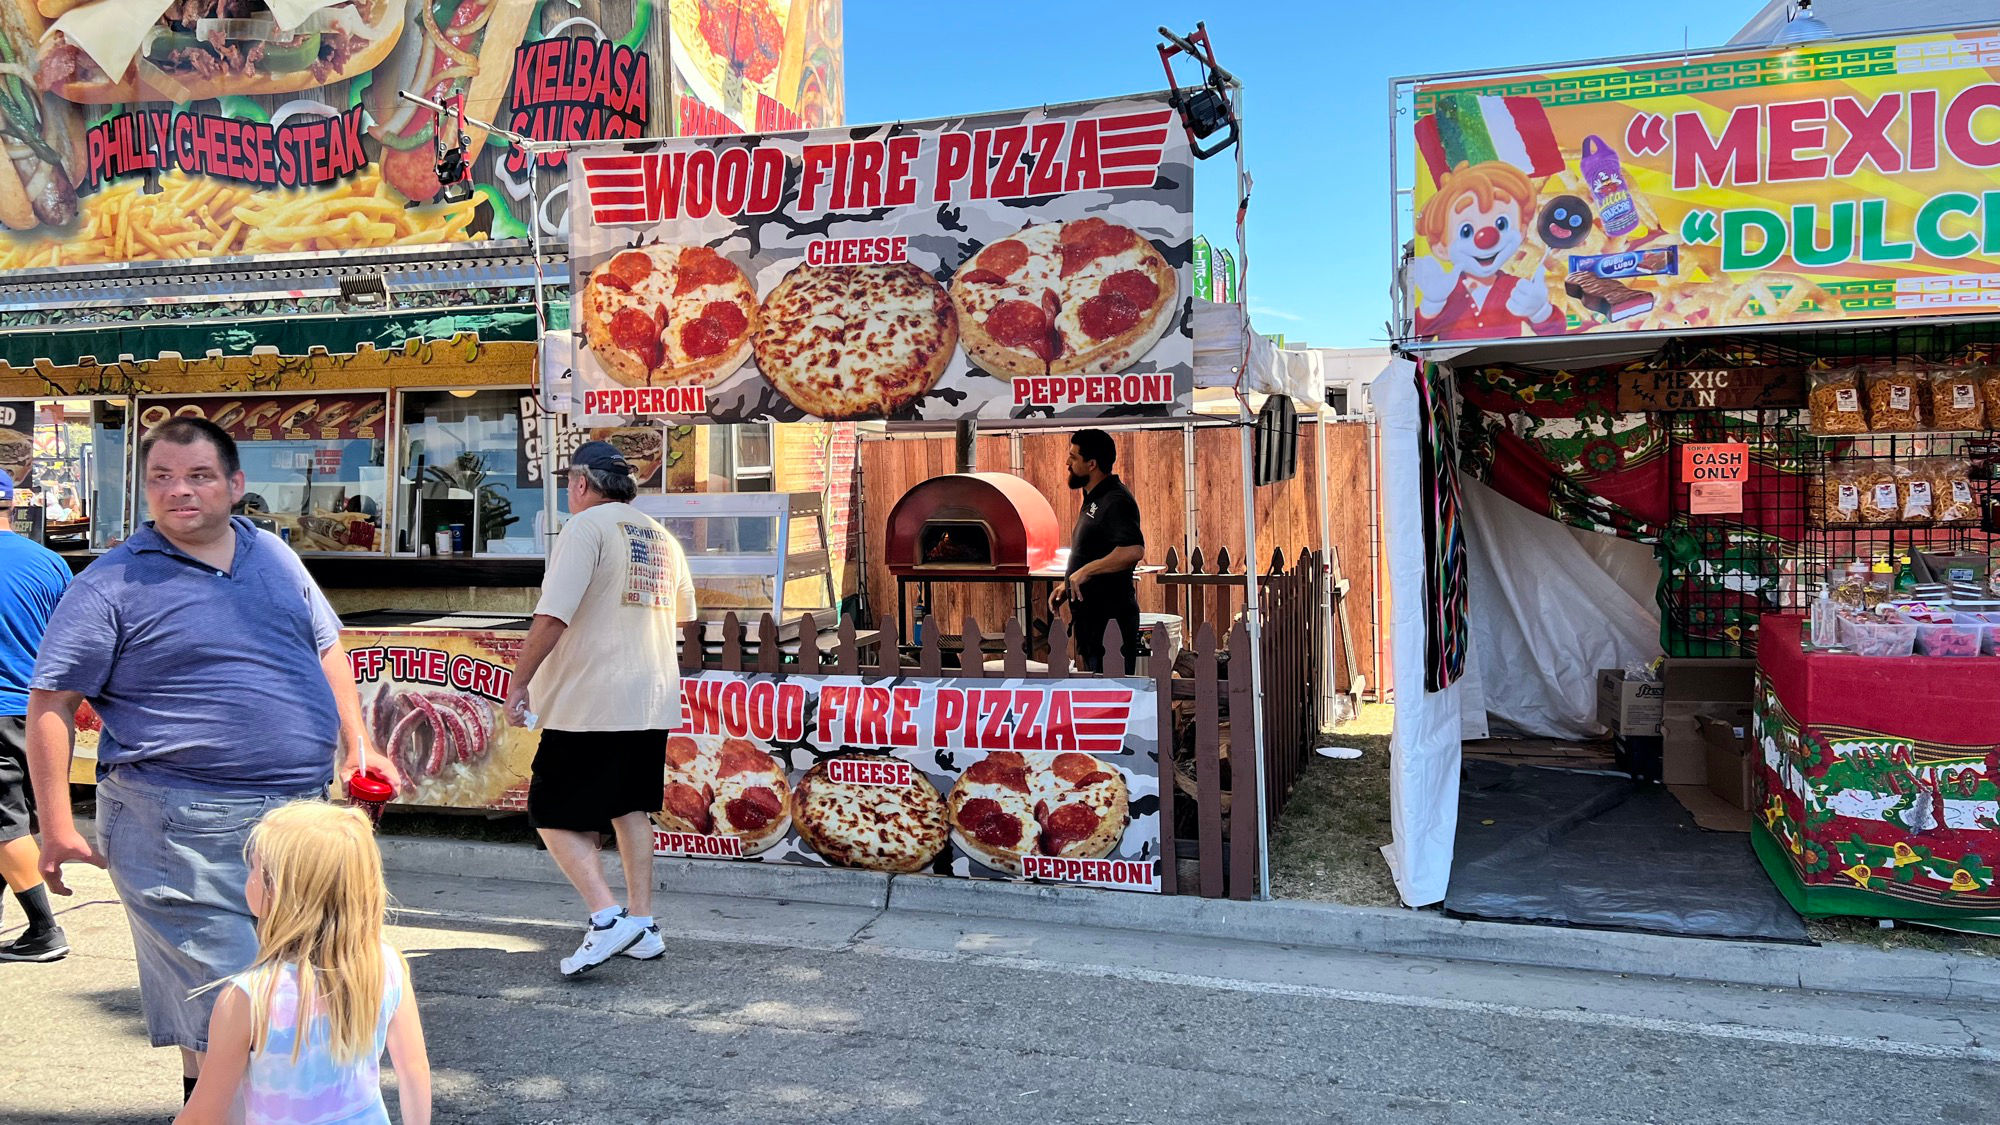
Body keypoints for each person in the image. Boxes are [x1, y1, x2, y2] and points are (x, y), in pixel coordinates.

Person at [24, 418, 393, 1103]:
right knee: (233, 1013)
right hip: (177, 823)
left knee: (286, 1001)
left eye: (197, 475)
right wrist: (55, 822)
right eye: (161, 478)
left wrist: (359, 744)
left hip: (300, 818)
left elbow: (326, 646)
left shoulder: (273, 554)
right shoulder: (110, 583)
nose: (178, 491)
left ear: (235, 485)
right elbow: (49, 700)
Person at [503, 441, 695, 978]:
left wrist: (519, 682)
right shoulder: (658, 535)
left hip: (591, 700)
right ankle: (644, 923)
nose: (569, 492)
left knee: (549, 809)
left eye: (570, 483)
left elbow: (552, 615)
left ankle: (607, 919)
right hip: (650, 694)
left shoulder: (584, 529)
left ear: (582, 484)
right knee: (629, 808)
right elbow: (683, 616)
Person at [176, 801, 431, 1125]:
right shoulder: (386, 965)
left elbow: (204, 1116)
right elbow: (414, 1069)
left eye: (254, 867)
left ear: (278, 891)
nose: (249, 876)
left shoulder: (247, 997)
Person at [0, 468, 73, 962]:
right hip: (41, 714)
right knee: (14, 819)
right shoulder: (50, 563)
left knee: (3, 824)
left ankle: (45, 932)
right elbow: (76, 641)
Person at [1048, 429, 1146, 674]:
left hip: (1111, 622)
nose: (1067, 463)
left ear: (1092, 464)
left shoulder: (1116, 500)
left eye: (1073, 457)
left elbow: (1133, 550)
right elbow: (1095, 548)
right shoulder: (1094, 497)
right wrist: (1067, 585)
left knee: (1111, 696)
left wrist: (1085, 572)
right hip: (1092, 621)